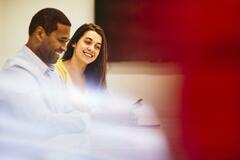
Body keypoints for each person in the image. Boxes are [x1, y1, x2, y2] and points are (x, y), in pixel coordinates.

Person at [0, 8, 85, 134]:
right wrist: (85, 120)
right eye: (61, 40)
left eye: (66, 42)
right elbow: (40, 124)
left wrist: (73, 119)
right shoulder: (16, 72)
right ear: (40, 34)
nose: (64, 48)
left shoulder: (52, 71)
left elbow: (68, 109)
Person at [55, 23, 108, 92]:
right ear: (74, 43)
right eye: (88, 42)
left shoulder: (95, 78)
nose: (92, 49)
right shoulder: (54, 71)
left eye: (97, 47)